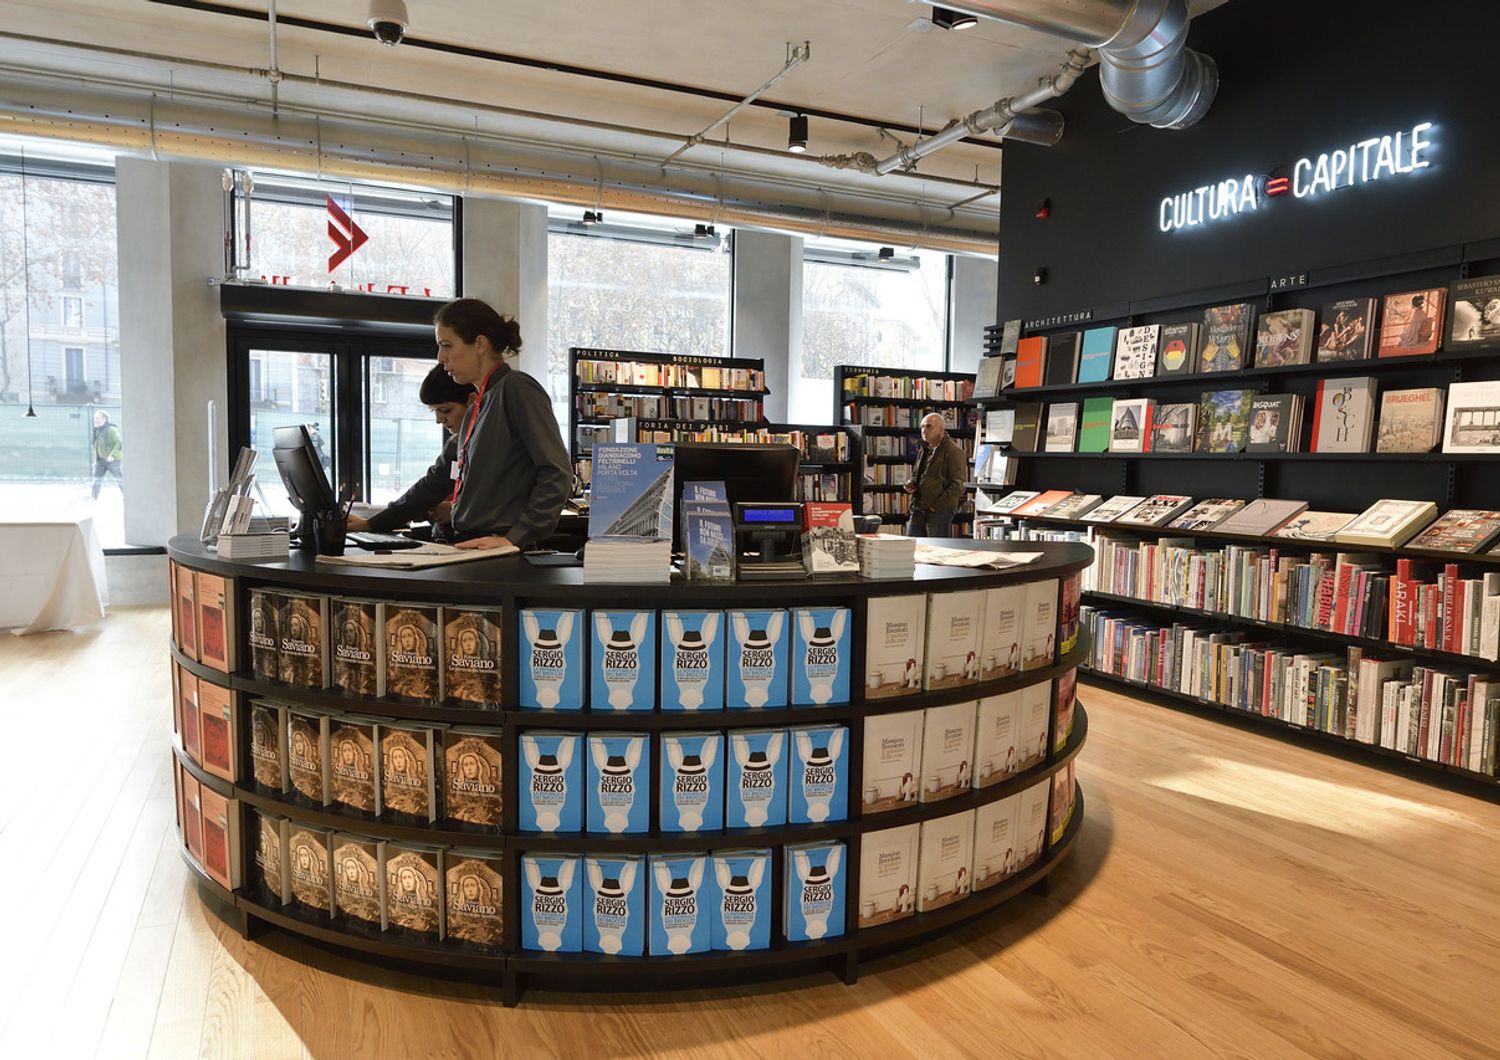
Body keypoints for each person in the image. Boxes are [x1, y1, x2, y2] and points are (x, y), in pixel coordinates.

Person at [431, 299, 572, 551]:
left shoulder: (517, 388)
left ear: (480, 344)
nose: (441, 357)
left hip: (499, 547)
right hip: (472, 544)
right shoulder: (478, 406)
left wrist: (514, 538)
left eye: (447, 345)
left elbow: (556, 472)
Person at [348, 364, 476, 534]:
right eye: (434, 411)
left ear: (473, 401)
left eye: (445, 410)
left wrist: (456, 511)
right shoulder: (456, 444)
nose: (439, 420)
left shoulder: (491, 441)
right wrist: (372, 524)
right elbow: (428, 489)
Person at [903, 412, 966, 538]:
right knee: (912, 546)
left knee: (935, 550)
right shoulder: (924, 449)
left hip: (939, 510)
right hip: (918, 507)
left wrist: (936, 506)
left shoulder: (954, 452)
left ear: (941, 430)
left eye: (929, 426)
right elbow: (919, 475)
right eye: (922, 427)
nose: (924, 430)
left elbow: (958, 485)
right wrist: (911, 483)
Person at [90, 410, 122, 499]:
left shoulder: (111, 429)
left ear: (105, 419)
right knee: (96, 480)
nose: (96, 420)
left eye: (98, 418)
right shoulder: (96, 430)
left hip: (113, 461)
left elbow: (118, 443)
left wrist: (112, 455)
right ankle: (94, 497)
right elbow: (95, 445)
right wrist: (96, 459)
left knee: (119, 479)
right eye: (95, 418)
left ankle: (128, 496)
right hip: (100, 461)